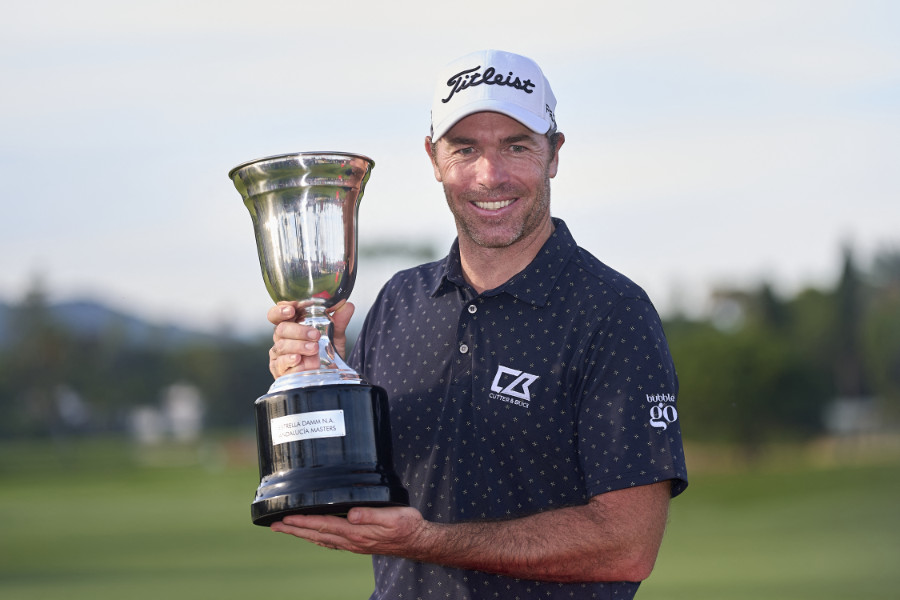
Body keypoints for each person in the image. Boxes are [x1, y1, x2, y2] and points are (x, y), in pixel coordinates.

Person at [265, 49, 688, 600]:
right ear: (434, 158)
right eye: (465, 149)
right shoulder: (399, 301)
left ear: (554, 154)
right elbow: (354, 490)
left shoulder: (612, 313)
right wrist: (320, 381)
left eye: (516, 146)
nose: (491, 175)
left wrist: (429, 541)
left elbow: (627, 544)